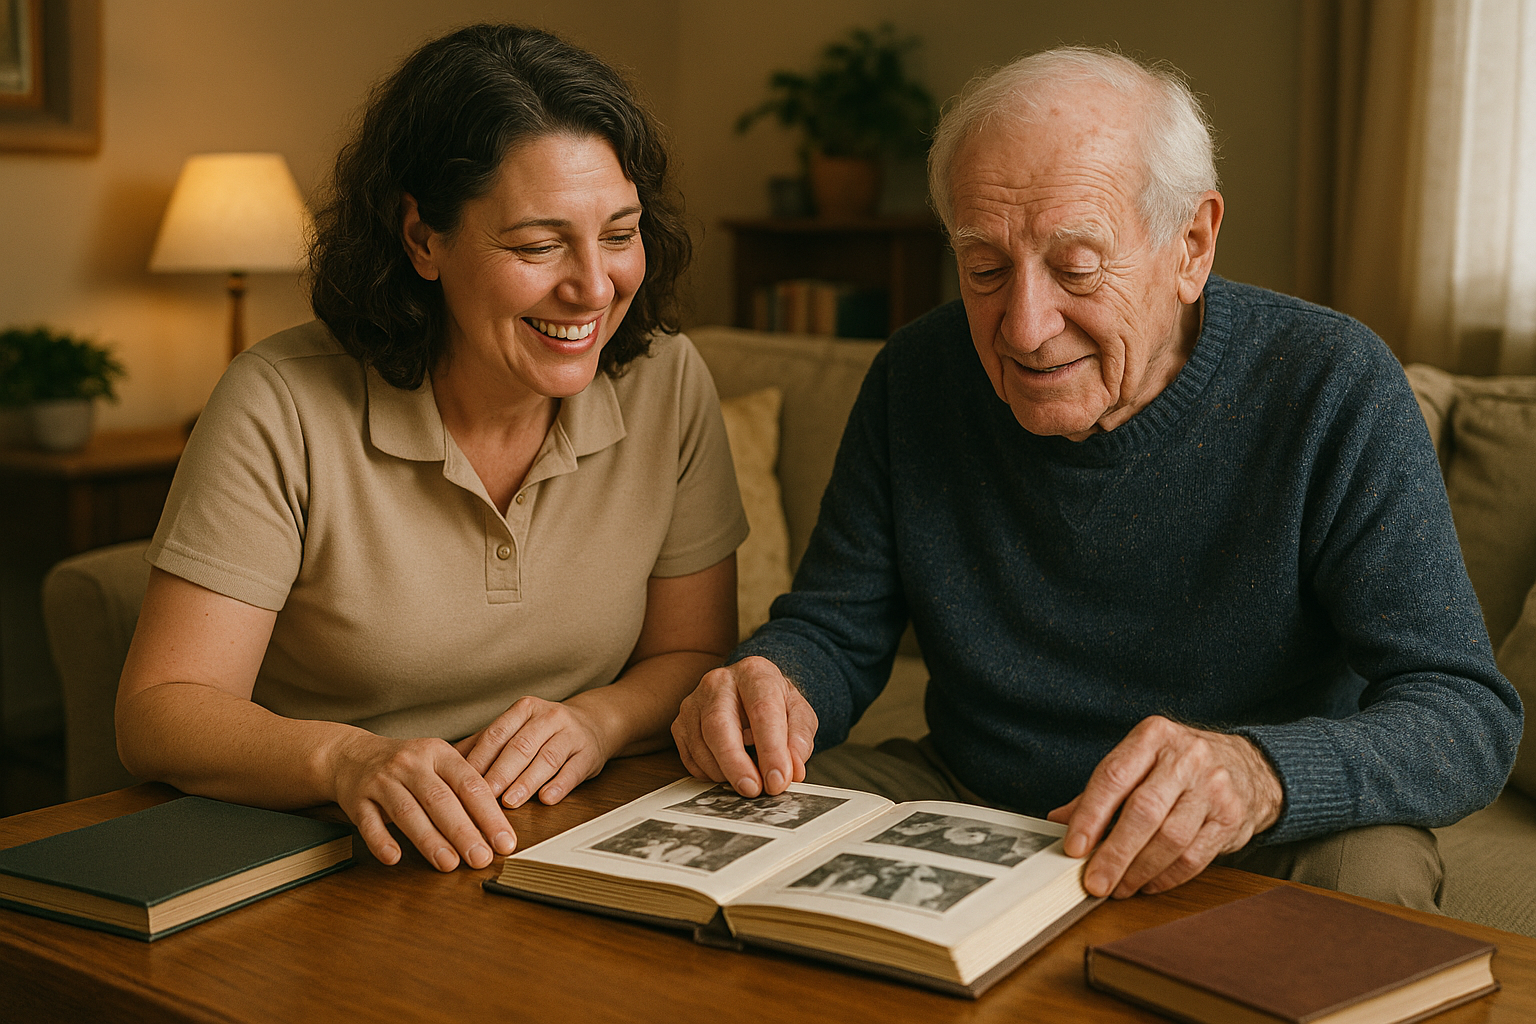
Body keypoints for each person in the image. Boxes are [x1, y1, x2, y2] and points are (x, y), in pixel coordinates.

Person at [672, 47, 1522, 910]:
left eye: (1076, 268)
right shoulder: (917, 375)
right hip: (973, 797)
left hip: (1242, 832)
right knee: (711, 819)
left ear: (1191, 245)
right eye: (985, 270)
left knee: (1367, 879)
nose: (1027, 327)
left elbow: (1464, 714)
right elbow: (834, 630)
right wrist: (771, 681)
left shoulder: (1331, 383)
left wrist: (1260, 774)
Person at [116, 25, 746, 874]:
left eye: (620, 233)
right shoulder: (280, 401)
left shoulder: (668, 379)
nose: (594, 287)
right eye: (537, 244)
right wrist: (345, 760)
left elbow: (692, 654)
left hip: (563, 830)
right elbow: (161, 710)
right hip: (327, 847)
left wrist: (599, 721)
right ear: (422, 239)